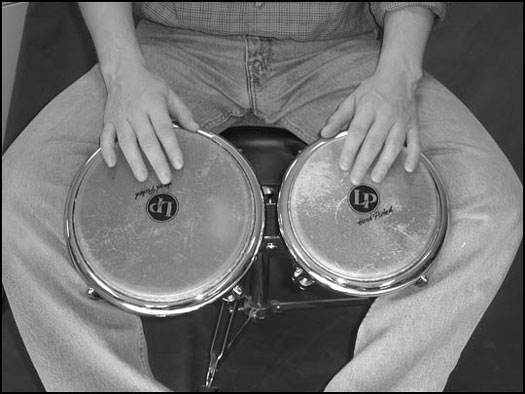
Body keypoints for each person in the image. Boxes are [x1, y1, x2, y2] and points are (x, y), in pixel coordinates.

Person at [2, 2, 522, 391]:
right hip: (169, 48)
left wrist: (398, 77)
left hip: (339, 51)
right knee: (20, 200)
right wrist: (122, 73)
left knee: (488, 207)